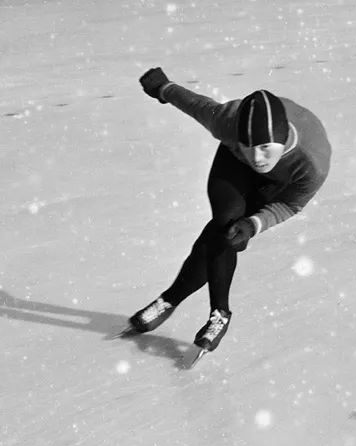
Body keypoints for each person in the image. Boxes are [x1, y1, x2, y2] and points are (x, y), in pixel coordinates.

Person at [127, 67, 332, 353]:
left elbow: (290, 204)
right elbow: (198, 105)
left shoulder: (311, 164)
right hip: (232, 165)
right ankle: (216, 311)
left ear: (283, 142)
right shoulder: (227, 122)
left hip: (278, 183)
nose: (257, 158)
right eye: (249, 147)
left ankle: (176, 300)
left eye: (264, 149)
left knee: (232, 233)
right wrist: (163, 88)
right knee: (224, 225)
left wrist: (254, 224)